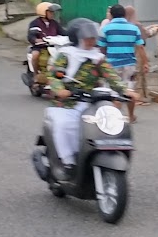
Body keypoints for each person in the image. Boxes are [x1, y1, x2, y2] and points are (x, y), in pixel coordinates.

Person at [46, 18, 139, 178]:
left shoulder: (97, 57)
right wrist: (59, 89)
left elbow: (111, 76)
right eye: (87, 38)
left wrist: (125, 90)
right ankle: (67, 161)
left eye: (93, 38)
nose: (91, 41)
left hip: (91, 101)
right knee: (64, 125)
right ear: (77, 38)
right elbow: (53, 76)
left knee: (107, 123)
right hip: (67, 104)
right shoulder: (66, 55)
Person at [99, 4, 147, 123]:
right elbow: (140, 47)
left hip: (111, 65)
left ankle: (114, 117)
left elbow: (102, 48)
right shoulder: (133, 28)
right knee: (129, 90)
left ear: (112, 15)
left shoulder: (106, 28)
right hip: (129, 64)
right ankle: (130, 116)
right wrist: (145, 63)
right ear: (124, 14)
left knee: (113, 91)